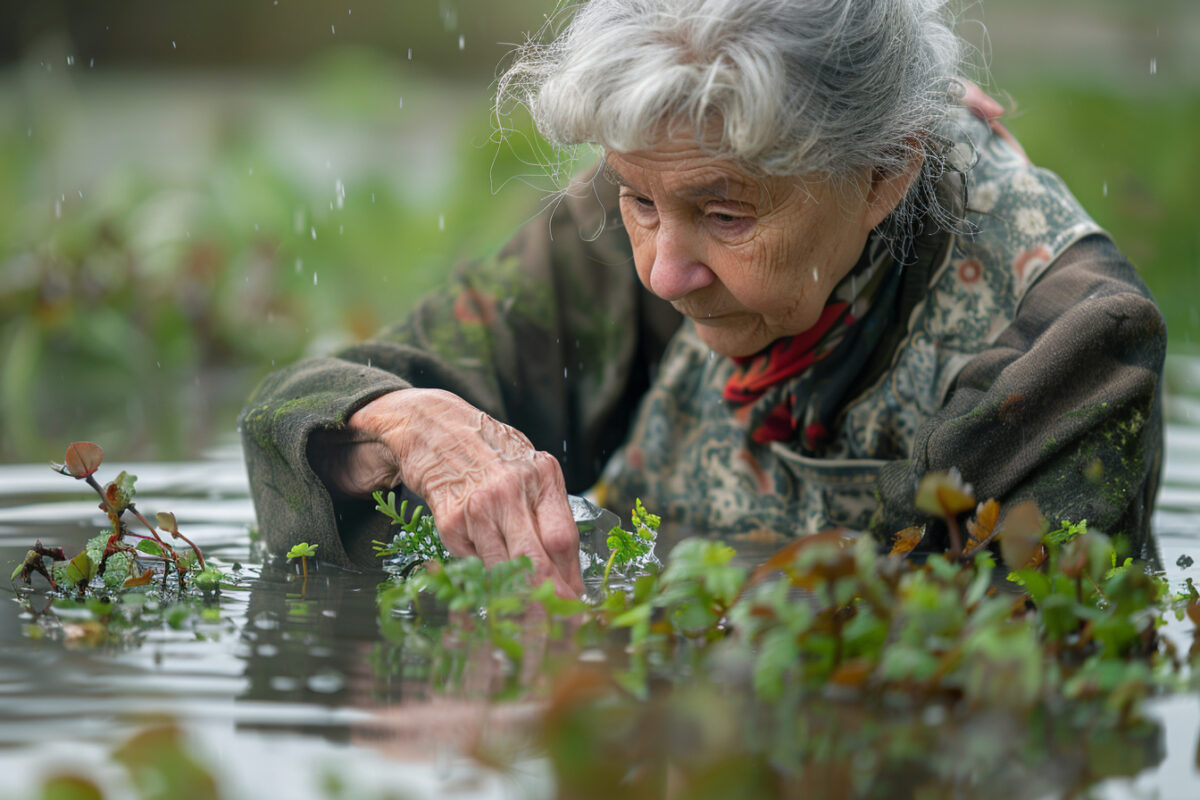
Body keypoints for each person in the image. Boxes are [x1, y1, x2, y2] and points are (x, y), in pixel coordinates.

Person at [238, 0, 1165, 596]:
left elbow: (1016, 698)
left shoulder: (1069, 346)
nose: (660, 272)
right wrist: (405, 421)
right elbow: (314, 396)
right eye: (639, 199)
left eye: (726, 214)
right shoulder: (650, 194)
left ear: (884, 173)